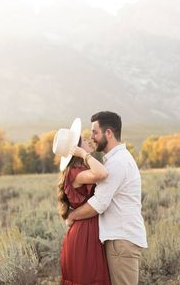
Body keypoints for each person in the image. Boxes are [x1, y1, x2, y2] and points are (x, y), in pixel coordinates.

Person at [67, 111, 148, 285]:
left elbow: (99, 204)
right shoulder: (116, 160)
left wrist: (72, 216)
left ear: (108, 133)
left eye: (95, 132)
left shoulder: (117, 162)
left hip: (121, 239)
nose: (92, 137)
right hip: (120, 238)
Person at [53, 118, 111, 285]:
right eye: (84, 139)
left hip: (86, 230)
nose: (89, 140)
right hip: (84, 234)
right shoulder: (76, 172)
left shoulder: (79, 170)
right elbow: (102, 174)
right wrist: (84, 155)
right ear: (77, 148)